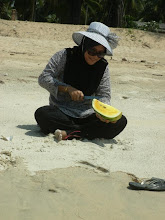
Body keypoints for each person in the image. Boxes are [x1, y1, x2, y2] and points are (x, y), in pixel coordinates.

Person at [34, 21, 127, 141]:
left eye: (100, 53)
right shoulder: (64, 55)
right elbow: (44, 78)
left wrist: (102, 114)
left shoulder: (103, 67)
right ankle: (84, 132)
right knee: (42, 114)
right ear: (84, 45)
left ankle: (70, 132)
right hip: (62, 111)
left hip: (88, 114)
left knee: (120, 121)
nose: (95, 57)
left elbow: (104, 95)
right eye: (92, 51)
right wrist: (67, 89)